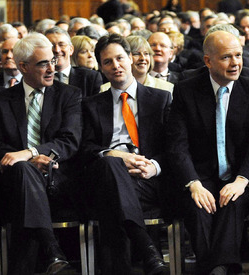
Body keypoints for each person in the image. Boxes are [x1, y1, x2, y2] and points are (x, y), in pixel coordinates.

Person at [166, 30, 249, 275]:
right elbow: (177, 144)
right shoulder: (186, 91)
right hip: (201, 176)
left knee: (232, 201)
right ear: (207, 61)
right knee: (198, 206)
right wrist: (193, 183)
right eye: (226, 57)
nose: (235, 63)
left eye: (238, 55)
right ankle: (219, 269)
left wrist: (242, 180)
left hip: (241, 176)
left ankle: (216, 270)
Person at [0, 32, 82, 275]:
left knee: (23, 173)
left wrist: (30, 153)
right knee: (22, 170)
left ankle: (48, 255)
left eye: (53, 61)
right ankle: (52, 251)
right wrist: (26, 161)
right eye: (43, 63)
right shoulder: (1, 100)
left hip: (57, 179)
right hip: (13, 182)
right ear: (23, 67)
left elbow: (69, 141)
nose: (52, 68)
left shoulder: (68, 95)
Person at [80, 33, 169, 275]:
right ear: (100, 67)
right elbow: (86, 149)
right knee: (110, 168)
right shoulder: (90, 105)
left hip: (147, 179)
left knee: (110, 200)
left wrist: (154, 166)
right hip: (105, 174)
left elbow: (174, 147)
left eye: (120, 58)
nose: (115, 66)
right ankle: (147, 248)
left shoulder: (160, 99)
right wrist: (117, 156)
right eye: (108, 62)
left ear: (130, 58)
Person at [45, 27, 103, 97]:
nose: (57, 50)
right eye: (52, 46)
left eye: (61, 45)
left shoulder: (90, 78)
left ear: (71, 49)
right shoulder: (39, 77)